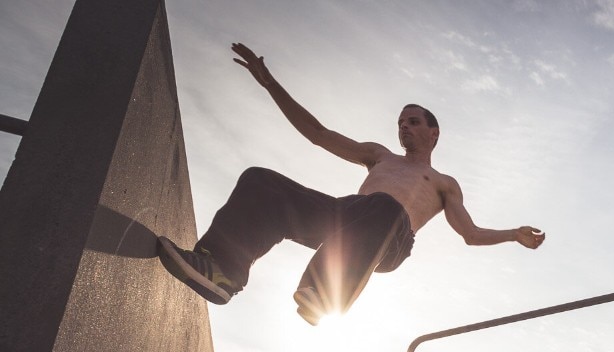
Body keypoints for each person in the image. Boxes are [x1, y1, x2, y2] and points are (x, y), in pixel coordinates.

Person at [157, 43, 545, 325]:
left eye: (412, 121)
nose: (403, 127)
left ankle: (324, 291)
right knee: (261, 182)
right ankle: (221, 270)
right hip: (347, 217)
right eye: (400, 122)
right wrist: (270, 84)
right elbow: (317, 133)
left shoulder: (443, 183)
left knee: (388, 207)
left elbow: (471, 234)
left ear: (433, 133)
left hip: (390, 240)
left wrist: (513, 234)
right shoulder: (379, 155)